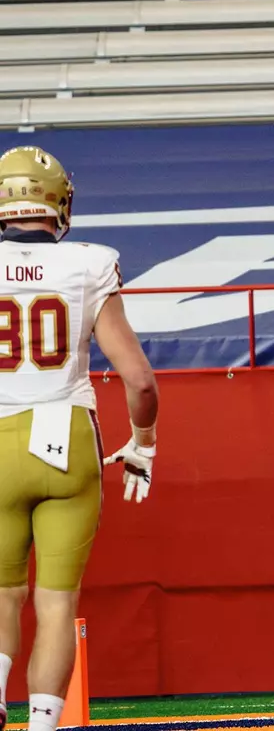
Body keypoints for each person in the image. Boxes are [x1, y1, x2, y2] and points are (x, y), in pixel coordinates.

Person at [0, 146, 159, 731]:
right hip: (65, 438)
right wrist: (143, 442)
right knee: (56, 603)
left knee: (2, 595)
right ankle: (42, 726)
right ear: (60, 203)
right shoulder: (90, 263)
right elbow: (139, 380)